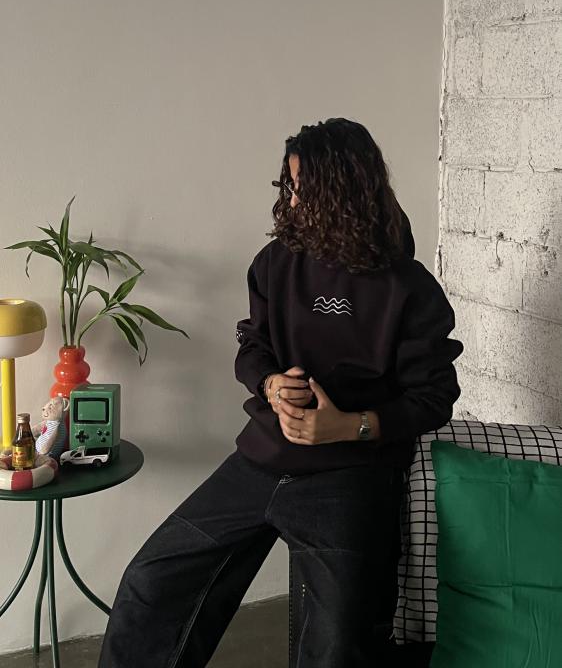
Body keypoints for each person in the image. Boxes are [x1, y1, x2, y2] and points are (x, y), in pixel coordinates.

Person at [98, 117, 463, 668]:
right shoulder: (275, 264)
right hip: (262, 458)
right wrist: (269, 384)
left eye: (304, 188)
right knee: (150, 583)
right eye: (288, 186)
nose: (291, 201)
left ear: (345, 191)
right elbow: (253, 346)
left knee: (337, 640)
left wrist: (350, 426)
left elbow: (435, 396)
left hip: (350, 474)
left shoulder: (408, 289)